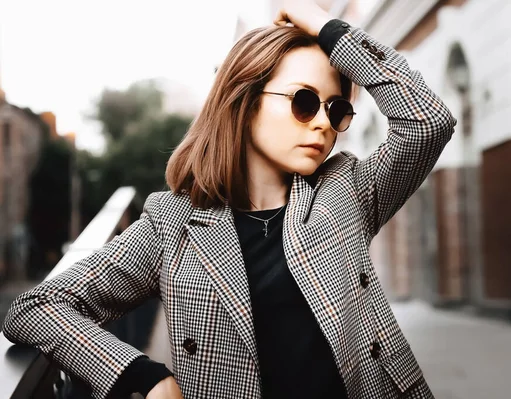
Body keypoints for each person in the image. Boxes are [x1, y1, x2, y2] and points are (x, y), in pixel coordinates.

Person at [3, 1, 455, 398]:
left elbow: (428, 121)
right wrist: (136, 373)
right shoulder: (173, 225)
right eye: (304, 101)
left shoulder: (346, 190)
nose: (322, 123)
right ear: (246, 101)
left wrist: (325, 26)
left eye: (336, 109)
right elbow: (35, 308)